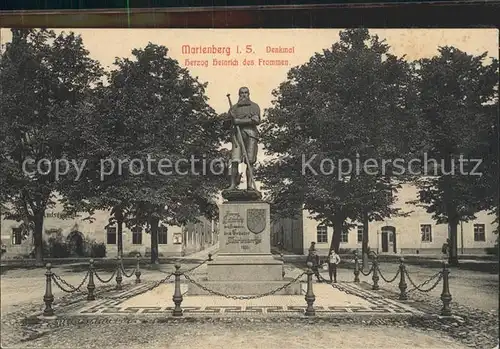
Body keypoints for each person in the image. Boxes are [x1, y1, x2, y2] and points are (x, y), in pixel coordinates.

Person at [225, 86, 261, 191]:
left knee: (250, 161)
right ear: (239, 94)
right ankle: (232, 185)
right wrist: (229, 119)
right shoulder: (234, 108)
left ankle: (249, 186)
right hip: (237, 136)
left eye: (246, 93)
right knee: (235, 160)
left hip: (251, 135)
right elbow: (226, 124)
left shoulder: (254, 106)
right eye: (241, 93)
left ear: (249, 94)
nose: (243, 95)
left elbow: (256, 120)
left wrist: (239, 121)